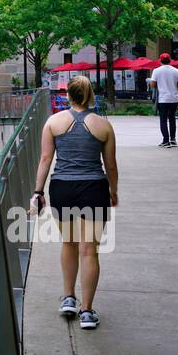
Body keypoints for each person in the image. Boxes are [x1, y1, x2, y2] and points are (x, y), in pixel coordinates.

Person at [29, 75, 119, 331]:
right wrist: (114, 190)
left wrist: (38, 192)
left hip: (62, 188)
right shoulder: (103, 125)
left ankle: (68, 298)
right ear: (90, 95)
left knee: (68, 243)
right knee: (89, 249)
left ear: (68, 95)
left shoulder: (54, 122)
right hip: (94, 188)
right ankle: (87, 312)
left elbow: (45, 159)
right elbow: (110, 165)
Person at [148, 53, 178, 147]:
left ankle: (165, 140)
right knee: (172, 119)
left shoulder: (156, 71)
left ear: (160, 60)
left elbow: (153, 85)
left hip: (163, 99)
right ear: (170, 60)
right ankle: (173, 139)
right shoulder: (176, 71)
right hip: (173, 98)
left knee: (163, 120)